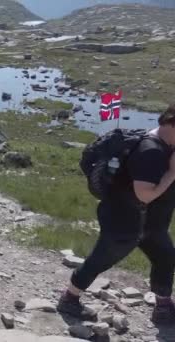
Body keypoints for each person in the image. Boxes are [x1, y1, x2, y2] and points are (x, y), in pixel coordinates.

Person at [58, 105, 175, 325]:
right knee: (100, 259)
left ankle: (163, 305)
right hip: (125, 221)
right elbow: (145, 195)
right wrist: (172, 173)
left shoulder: (164, 145)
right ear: (170, 122)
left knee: (166, 257)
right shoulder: (151, 151)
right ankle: (69, 298)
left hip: (152, 223)